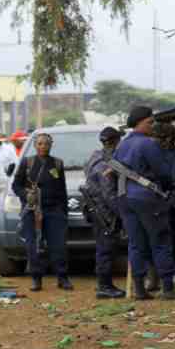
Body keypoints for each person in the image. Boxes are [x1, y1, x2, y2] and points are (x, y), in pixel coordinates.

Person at [113, 106, 175, 300]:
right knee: (160, 241)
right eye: (150, 122)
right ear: (140, 122)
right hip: (148, 198)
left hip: (125, 198)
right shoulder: (149, 144)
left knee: (136, 243)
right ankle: (167, 287)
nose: (152, 126)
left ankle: (139, 288)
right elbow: (165, 172)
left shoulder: (122, 145)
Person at [12, 133, 72, 292]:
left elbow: (62, 190)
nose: (43, 146)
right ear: (35, 145)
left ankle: (62, 277)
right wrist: (26, 195)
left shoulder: (57, 164)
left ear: (51, 145)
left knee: (58, 246)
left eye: (46, 143)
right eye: (39, 144)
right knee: (33, 246)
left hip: (54, 211)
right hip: (32, 211)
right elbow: (16, 185)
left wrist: (63, 212)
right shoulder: (27, 162)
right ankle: (36, 279)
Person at [84, 127, 126, 299]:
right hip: (104, 213)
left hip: (98, 209)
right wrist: (123, 214)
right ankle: (104, 286)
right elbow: (109, 194)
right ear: (115, 141)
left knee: (104, 248)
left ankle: (105, 284)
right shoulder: (104, 164)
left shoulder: (96, 157)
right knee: (105, 249)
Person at [147, 122, 175, 292]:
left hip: (169, 202)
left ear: (167, 139)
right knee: (157, 239)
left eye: (156, 138)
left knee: (168, 240)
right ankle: (154, 277)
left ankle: (168, 277)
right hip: (156, 201)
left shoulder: (174, 155)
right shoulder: (156, 153)